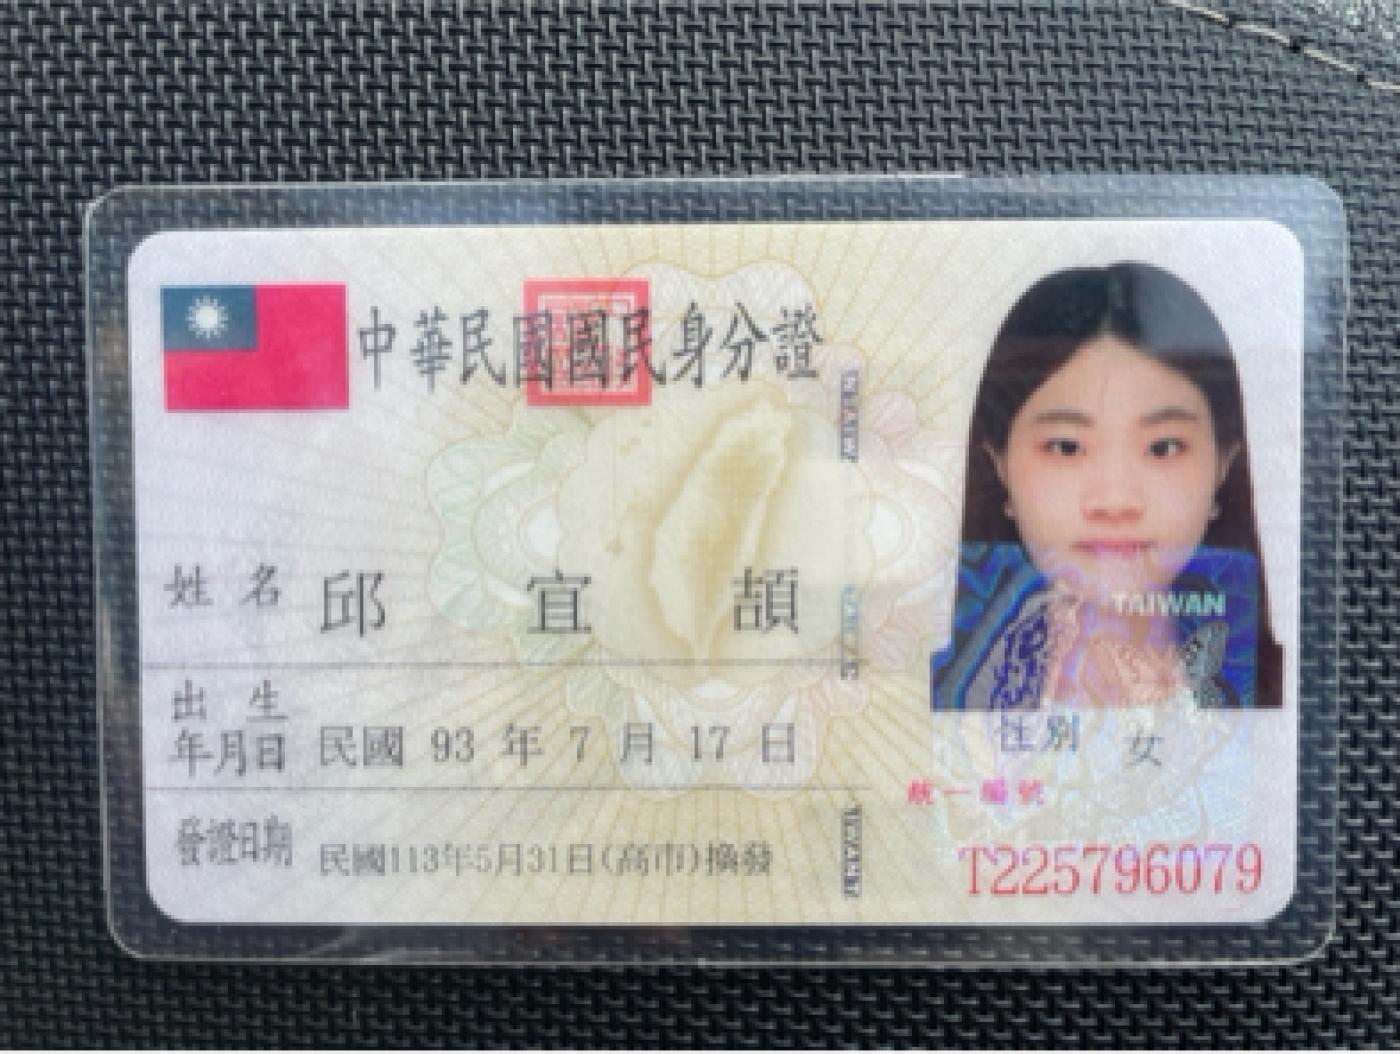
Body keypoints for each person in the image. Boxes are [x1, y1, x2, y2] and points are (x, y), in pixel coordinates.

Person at [932, 262, 1283, 710]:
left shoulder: (1286, 692)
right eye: (1066, 447)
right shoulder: (927, 698)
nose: (1115, 502)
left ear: (1222, 466)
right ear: (999, 464)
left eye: (1162, 448)